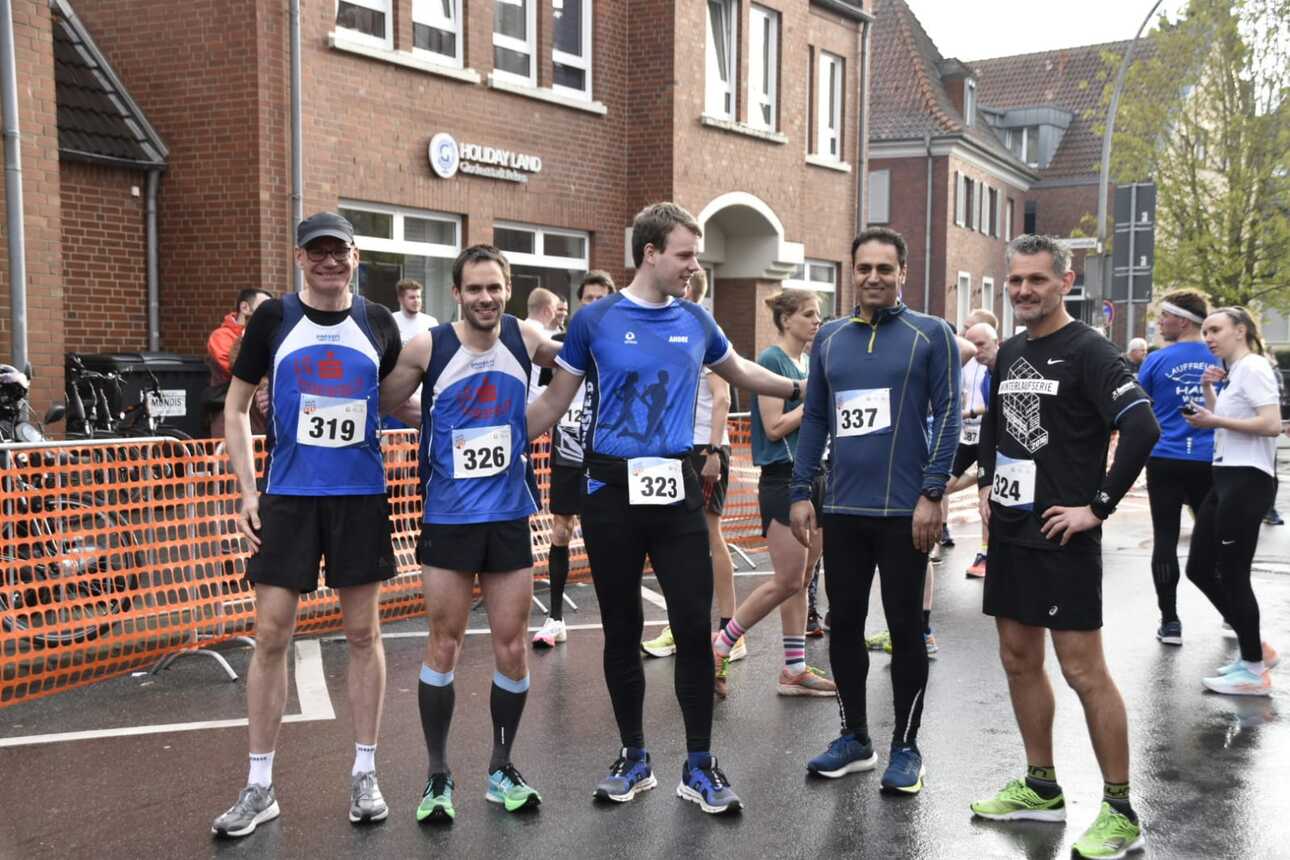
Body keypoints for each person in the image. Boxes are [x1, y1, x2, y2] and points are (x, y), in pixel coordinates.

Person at [527, 202, 802, 815]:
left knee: (692, 628)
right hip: (610, 494)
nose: (693, 265)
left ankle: (699, 764)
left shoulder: (697, 322)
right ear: (650, 252)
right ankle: (634, 757)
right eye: (685, 254)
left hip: (677, 493)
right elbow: (550, 405)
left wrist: (805, 388)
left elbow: (744, 372)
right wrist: (494, 442)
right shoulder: (595, 321)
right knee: (622, 629)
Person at [212, 212, 404, 838]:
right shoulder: (273, 319)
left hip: (360, 498)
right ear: (300, 258)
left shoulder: (378, 323)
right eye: (316, 252)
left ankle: (366, 772)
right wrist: (246, 489)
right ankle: (259, 785)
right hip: (288, 497)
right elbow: (236, 407)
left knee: (361, 632)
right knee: (271, 636)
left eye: (339, 251)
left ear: (356, 255)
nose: (328, 262)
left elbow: (399, 397)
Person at [969, 235, 1160, 860]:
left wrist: (1097, 508)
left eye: (1037, 281)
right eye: (1016, 281)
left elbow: (1142, 427)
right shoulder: (1013, 351)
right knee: (1018, 658)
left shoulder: (1092, 352)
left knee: (1082, 670)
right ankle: (1041, 786)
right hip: (1013, 532)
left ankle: (1120, 809)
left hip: (1062, 536)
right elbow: (998, 419)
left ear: (1065, 281)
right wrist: (988, 487)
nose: (1024, 291)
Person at [379, 244, 561, 822]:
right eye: (475, 288)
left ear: (508, 290)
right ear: (455, 293)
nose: (486, 297)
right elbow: (384, 399)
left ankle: (500, 766)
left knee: (512, 647)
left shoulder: (525, 339)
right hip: (449, 519)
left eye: (495, 287)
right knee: (444, 643)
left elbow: (574, 368)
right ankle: (437, 776)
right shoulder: (430, 344)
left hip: (508, 517)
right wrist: (432, 424)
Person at [790, 227, 961, 794]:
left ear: (903, 272)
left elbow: (950, 418)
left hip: (904, 512)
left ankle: (906, 746)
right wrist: (799, 491)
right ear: (852, 271)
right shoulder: (831, 338)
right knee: (843, 626)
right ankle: (854, 737)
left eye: (885, 269)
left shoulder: (930, 334)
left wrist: (932, 493)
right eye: (864, 268)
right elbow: (815, 418)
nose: (873, 278)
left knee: (907, 628)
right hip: (842, 508)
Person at [723, 287, 836, 697]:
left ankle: (794, 669)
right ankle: (720, 645)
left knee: (803, 579)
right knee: (787, 579)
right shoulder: (772, 361)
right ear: (787, 320)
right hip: (783, 478)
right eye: (808, 314)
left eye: (818, 315)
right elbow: (773, 428)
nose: (816, 321)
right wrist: (814, 403)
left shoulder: (807, 360)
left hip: (815, 474)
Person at [640, 270, 742, 676]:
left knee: (710, 534)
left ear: (687, 291)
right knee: (677, 540)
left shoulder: (704, 329)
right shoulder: (669, 336)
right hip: (675, 448)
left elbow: (722, 397)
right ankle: (682, 627)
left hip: (705, 447)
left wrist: (714, 451)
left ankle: (728, 629)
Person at [1182, 307, 1282, 696]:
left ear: (1240, 331)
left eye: (1215, 330)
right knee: (1200, 568)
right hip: (1224, 476)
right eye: (1205, 330)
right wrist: (1211, 394)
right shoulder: (1235, 371)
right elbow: (1224, 417)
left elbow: (1271, 424)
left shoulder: (1254, 367)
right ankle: (1255, 648)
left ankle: (1254, 669)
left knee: (1232, 573)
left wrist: (1214, 422)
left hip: (1247, 479)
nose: (1208, 337)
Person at [532, 271, 617, 649]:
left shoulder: (623, 342)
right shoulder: (562, 344)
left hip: (607, 452)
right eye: (588, 298)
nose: (594, 304)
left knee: (608, 531)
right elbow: (545, 396)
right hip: (568, 448)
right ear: (580, 302)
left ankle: (617, 618)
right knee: (562, 528)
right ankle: (555, 618)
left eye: (602, 297)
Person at [1136, 290, 1219, 645]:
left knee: (1166, 538)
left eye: (1163, 317)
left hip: (1166, 458)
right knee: (1216, 541)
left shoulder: (1155, 360)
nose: (1159, 323)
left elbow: (1141, 408)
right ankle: (1233, 614)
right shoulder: (1219, 359)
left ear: (1182, 321)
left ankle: (1170, 623)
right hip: (1208, 460)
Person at [953, 320, 999, 578]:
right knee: (943, 484)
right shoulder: (979, 369)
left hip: (988, 439)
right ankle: (978, 478)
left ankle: (986, 553)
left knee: (987, 499)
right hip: (967, 435)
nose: (976, 350)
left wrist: (970, 411)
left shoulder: (1003, 367)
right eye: (972, 343)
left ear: (996, 341)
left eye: (981, 344)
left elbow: (994, 412)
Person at [206, 288, 272, 437]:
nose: (268, 311)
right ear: (245, 307)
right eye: (263, 306)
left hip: (258, 419)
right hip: (229, 417)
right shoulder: (221, 336)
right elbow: (236, 368)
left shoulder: (266, 334)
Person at [526, 288, 561, 404]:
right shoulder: (544, 337)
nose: (555, 315)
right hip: (534, 403)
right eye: (555, 311)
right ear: (547, 311)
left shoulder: (517, 331)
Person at [393, 278, 439, 343]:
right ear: (401, 300)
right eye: (412, 297)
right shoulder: (392, 320)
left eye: (418, 297)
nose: (416, 301)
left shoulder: (431, 322)